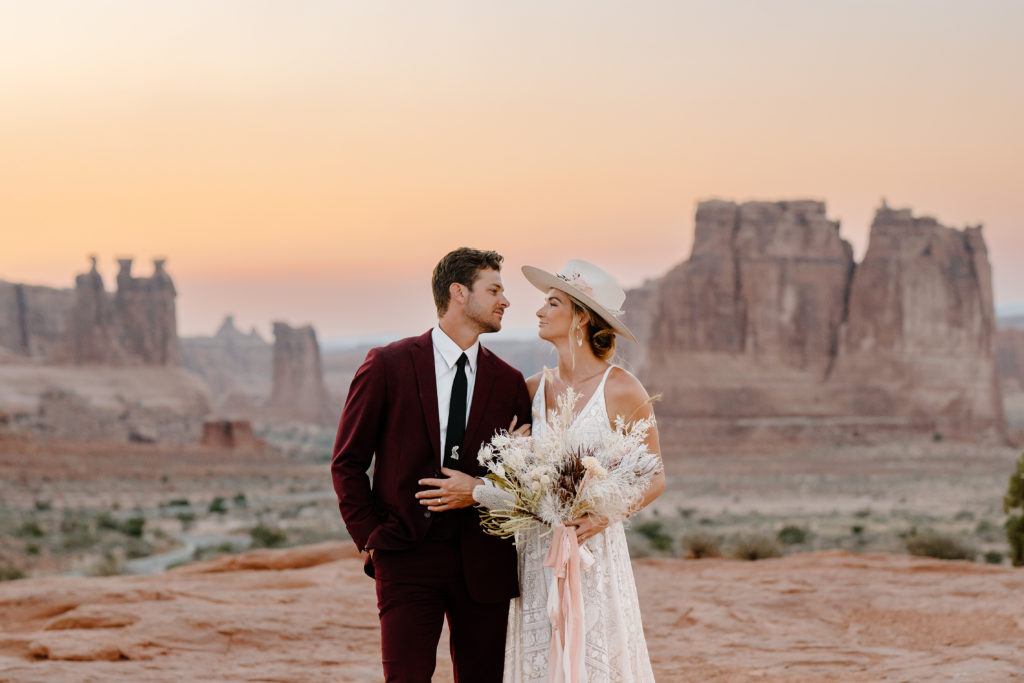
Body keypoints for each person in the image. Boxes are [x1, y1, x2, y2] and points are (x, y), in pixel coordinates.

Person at [331, 247, 532, 682]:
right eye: (494, 289)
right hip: (405, 557)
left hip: (485, 563)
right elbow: (347, 462)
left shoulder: (510, 382)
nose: (505, 301)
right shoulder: (388, 365)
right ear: (459, 293)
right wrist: (370, 537)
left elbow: (521, 478)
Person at [474, 259, 666, 682]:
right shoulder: (529, 390)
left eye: (552, 302)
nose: (540, 311)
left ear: (581, 316)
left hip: (593, 554)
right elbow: (511, 469)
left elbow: (654, 476)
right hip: (537, 553)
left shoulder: (621, 388)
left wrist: (602, 516)